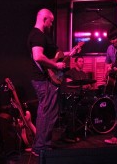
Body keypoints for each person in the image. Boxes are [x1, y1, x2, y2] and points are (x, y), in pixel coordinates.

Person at [27, 8, 77, 156]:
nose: (51, 25)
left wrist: (71, 52)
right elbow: (38, 56)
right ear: (44, 19)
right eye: (51, 22)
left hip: (43, 80)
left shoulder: (37, 35)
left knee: (45, 112)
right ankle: (42, 148)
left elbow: (54, 55)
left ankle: (40, 146)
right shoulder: (38, 35)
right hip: (44, 80)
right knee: (48, 113)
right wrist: (56, 66)